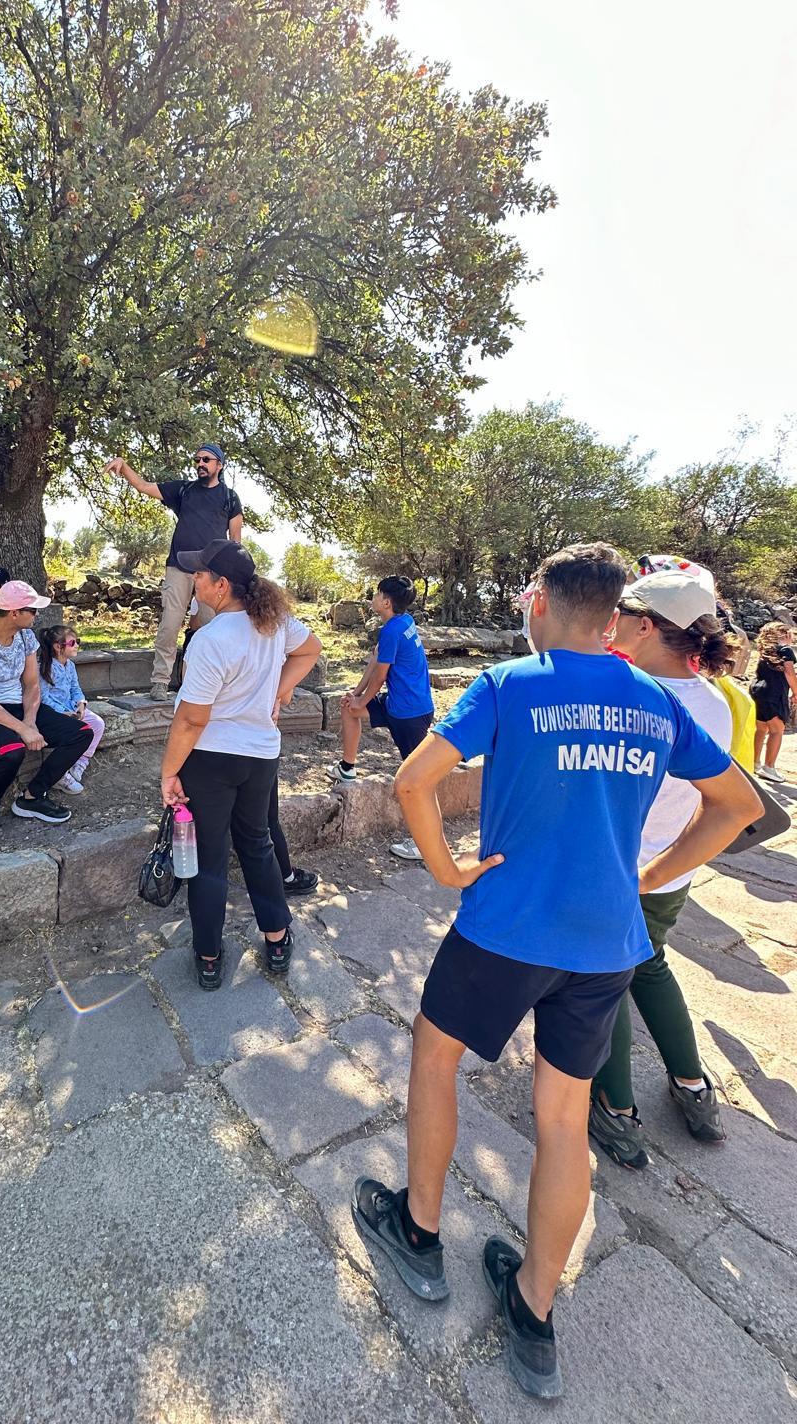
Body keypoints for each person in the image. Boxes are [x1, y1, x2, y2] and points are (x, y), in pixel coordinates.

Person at [350, 543, 758, 1400]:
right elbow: (742, 806)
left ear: (538, 602)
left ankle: (418, 1234)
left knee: (435, 1057)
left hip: (504, 929)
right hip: (606, 943)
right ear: (615, 620)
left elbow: (416, 779)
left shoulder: (508, 684)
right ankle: (533, 1308)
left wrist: (445, 869)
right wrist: (650, 873)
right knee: (564, 1118)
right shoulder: (657, 700)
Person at [587, 565, 738, 1168]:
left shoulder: (632, 695)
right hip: (671, 872)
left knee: (607, 984)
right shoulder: (716, 701)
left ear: (645, 626)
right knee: (651, 967)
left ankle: (616, 1110)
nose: (610, 624)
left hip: (617, 871)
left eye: (620, 616)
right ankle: (694, 1089)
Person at [159, 539, 322, 989]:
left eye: (200, 573)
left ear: (220, 584)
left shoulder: (210, 640)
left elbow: (192, 718)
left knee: (210, 857)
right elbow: (312, 649)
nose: (194, 579)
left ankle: (209, 955)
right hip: (260, 756)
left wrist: (169, 771)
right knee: (257, 843)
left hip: (211, 758)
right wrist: (280, 691)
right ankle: (276, 936)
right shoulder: (274, 623)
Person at [104, 445, 244, 700]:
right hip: (179, 567)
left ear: (219, 465)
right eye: (197, 459)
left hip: (213, 574)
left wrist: (233, 575)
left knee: (214, 628)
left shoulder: (230, 498)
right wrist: (123, 467)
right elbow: (145, 487)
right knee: (170, 625)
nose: (200, 463)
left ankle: (209, 684)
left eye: (206, 459)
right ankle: (160, 682)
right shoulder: (184, 490)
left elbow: (235, 541)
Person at [0, 580, 91, 841]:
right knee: (11, 750)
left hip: (18, 704)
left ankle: (33, 796)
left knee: (82, 733)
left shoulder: (26, 637)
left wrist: (30, 720)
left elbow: (31, 685)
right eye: (32, 610)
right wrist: (22, 730)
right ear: (15, 613)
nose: (36, 616)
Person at [325, 575, 433, 862]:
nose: (372, 597)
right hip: (400, 705)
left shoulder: (393, 631)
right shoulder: (402, 622)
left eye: (376, 593)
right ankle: (347, 767)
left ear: (385, 602)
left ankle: (425, 844)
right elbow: (376, 660)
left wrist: (364, 696)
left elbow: (381, 675)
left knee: (416, 779)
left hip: (410, 712)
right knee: (350, 709)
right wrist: (356, 695)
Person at [36, 624, 105, 794]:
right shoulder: (44, 667)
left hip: (72, 708)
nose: (77, 645)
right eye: (73, 643)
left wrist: (81, 704)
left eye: (78, 641)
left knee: (97, 724)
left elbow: (76, 688)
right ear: (58, 647)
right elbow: (44, 696)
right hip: (54, 713)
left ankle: (80, 762)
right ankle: (61, 774)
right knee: (72, 734)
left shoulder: (70, 666)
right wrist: (63, 712)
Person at [749, 621, 797, 781]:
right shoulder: (785, 650)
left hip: (758, 690)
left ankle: (755, 763)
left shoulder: (766, 651)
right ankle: (769, 767)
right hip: (774, 693)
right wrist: (796, 692)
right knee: (777, 730)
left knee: (761, 729)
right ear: (784, 635)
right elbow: (789, 672)